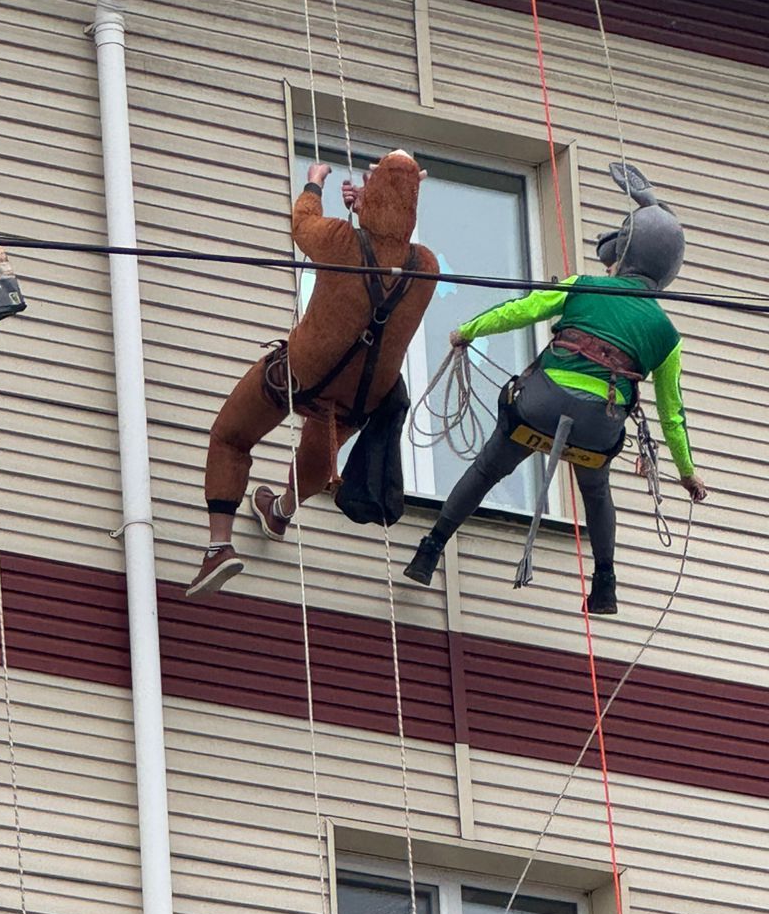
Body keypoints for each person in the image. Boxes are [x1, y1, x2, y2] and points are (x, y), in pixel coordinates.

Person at [404, 162, 707, 615]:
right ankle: (605, 585)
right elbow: (672, 414)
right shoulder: (668, 336)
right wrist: (686, 472)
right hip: (599, 429)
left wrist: (468, 330)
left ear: (626, 253)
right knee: (596, 491)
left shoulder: (583, 286)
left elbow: (522, 310)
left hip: (539, 408)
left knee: (488, 469)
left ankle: (430, 551)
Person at [187, 153, 439, 599]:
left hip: (303, 374)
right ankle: (282, 510)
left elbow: (303, 224)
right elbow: (386, 239)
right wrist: (368, 206)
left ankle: (218, 546)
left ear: (373, 194)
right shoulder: (427, 268)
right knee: (322, 447)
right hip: (359, 399)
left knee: (230, 437)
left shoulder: (340, 241)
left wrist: (314, 183)